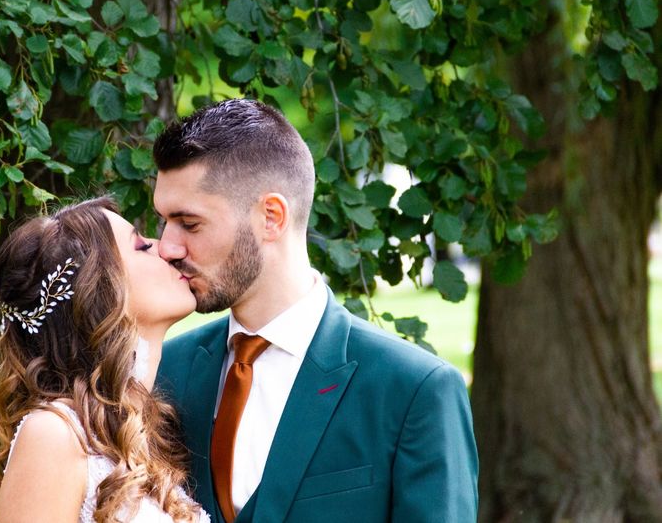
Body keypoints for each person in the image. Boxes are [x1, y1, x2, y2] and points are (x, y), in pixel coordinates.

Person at [152, 99, 478, 523]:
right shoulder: (166, 371)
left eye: (189, 224)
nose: (167, 246)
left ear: (271, 217)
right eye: (164, 222)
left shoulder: (413, 391)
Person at [0, 198, 210, 523]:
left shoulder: (142, 426)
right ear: (101, 290)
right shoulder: (53, 435)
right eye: (142, 246)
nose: (167, 249)